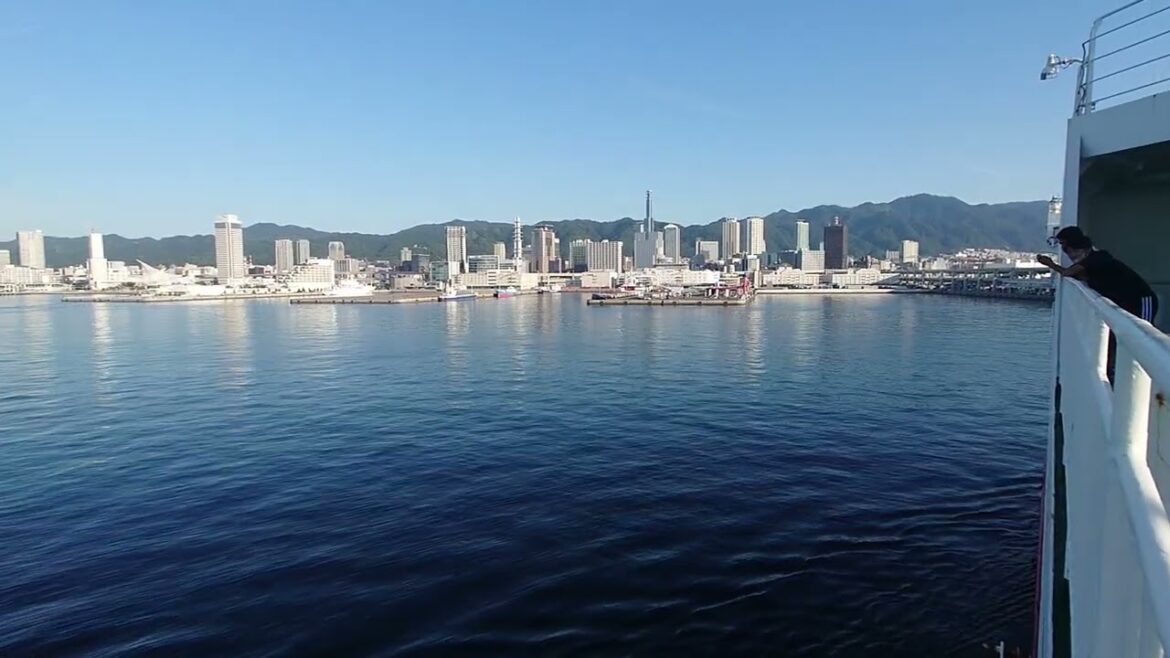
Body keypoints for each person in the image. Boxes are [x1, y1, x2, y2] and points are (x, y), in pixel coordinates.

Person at [1038, 227, 1158, 382]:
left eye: (1066, 248)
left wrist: (1050, 264)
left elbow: (1068, 272)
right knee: (1129, 335)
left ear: (1078, 247)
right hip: (1126, 301)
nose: (1067, 252)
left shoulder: (1096, 259)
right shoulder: (1096, 260)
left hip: (1141, 299)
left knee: (1145, 334)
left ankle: (1150, 373)